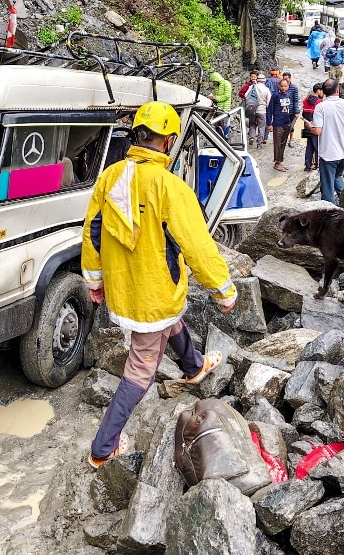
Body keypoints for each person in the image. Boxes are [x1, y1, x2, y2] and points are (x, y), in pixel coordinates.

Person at [82, 101, 235, 468]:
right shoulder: (170, 186)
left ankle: (193, 365)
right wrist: (223, 289)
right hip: (155, 291)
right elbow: (197, 245)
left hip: (126, 288)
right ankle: (103, 448)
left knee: (171, 319)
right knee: (140, 368)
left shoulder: (109, 177)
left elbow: (92, 232)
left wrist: (95, 280)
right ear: (167, 140)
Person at [302, 78, 344, 204]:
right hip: (343, 151)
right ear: (337, 90)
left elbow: (317, 131)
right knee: (337, 177)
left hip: (328, 154)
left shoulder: (321, 107)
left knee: (327, 185)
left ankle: (329, 210)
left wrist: (308, 126)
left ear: (323, 91)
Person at [266, 71, 300, 172]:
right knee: (277, 144)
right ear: (279, 87)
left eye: (285, 86)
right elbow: (269, 110)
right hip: (277, 123)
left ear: (288, 86)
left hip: (287, 122)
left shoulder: (289, 95)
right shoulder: (275, 96)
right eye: (282, 86)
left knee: (283, 143)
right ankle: (277, 163)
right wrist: (269, 124)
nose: (284, 88)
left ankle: (280, 161)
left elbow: (290, 107)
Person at [301, 84, 323, 171]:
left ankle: (308, 165)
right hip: (315, 127)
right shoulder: (319, 102)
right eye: (322, 91)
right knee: (317, 146)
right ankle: (318, 165)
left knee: (309, 146)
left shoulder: (305, 100)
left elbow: (303, 113)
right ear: (318, 91)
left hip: (307, 126)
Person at [247, 74, 272, 146]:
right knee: (261, 127)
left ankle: (251, 137)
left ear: (257, 80)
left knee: (252, 124)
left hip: (252, 110)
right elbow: (269, 102)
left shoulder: (252, 87)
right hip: (262, 111)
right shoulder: (266, 89)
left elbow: (246, 95)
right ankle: (259, 143)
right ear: (264, 81)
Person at [208, 71, 233, 137]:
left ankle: (226, 142)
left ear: (216, 79)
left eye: (213, 81)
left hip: (224, 109)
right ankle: (219, 141)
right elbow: (217, 95)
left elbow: (227, 96)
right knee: (217, 126)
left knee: (224, 126)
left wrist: (215, 98)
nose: (213, 83)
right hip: (217, 109)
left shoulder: (226, 83)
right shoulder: (217, 86)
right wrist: (212, 97)